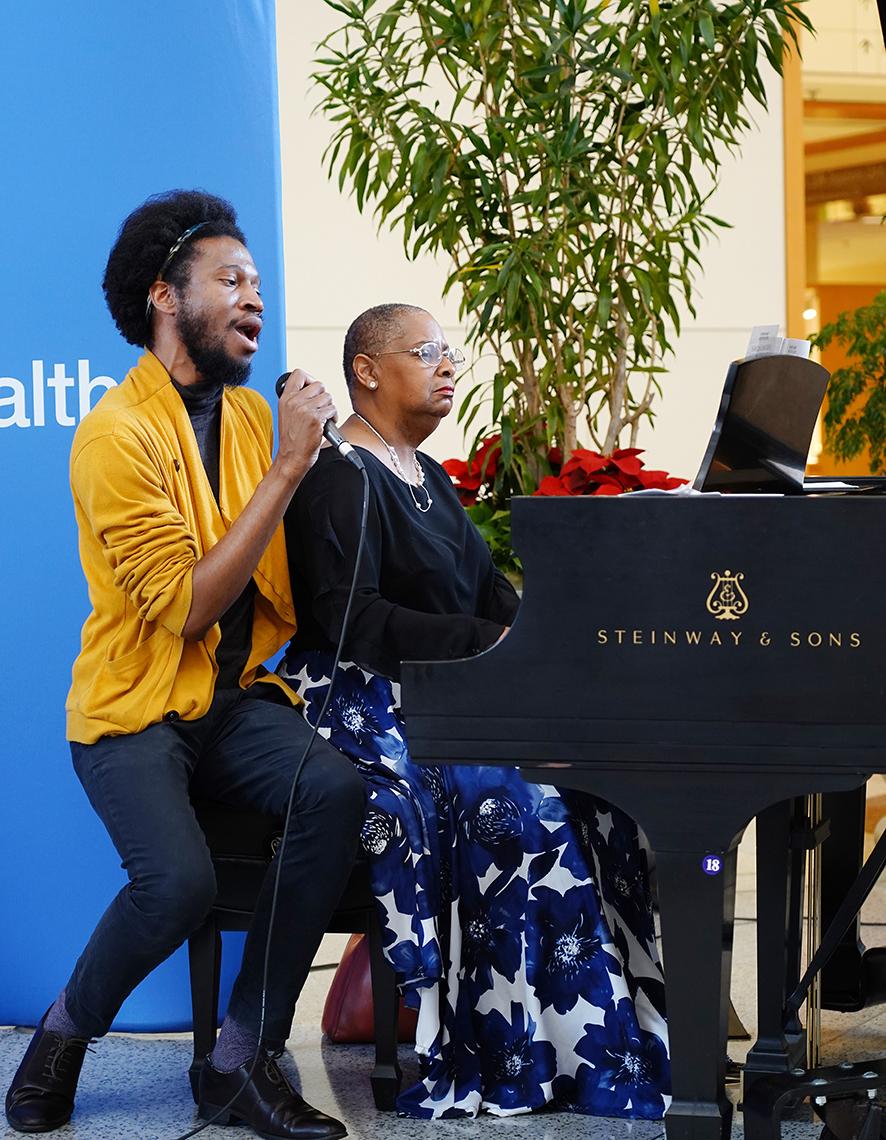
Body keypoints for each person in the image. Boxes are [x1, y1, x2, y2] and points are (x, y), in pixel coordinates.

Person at [4, 190, 365, 1140]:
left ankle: (238, 1060)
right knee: (179, 884)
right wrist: (289, 468)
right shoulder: (113, 437)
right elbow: (191, 603)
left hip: (236, 701)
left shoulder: (252, 418)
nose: (254, 297)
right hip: (135, 709)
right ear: (167, 296)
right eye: (231, 280)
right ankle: (62, 1034)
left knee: (332, 787)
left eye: (257, 281)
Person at [279, 303, 671, 1120]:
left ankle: (615, 1038)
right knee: (518, 801)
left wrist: (560, 637)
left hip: (455, 688)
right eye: (426, 351)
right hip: (368, 700)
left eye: (449, 350)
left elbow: (495, 598)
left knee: (600, 784)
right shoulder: (339, 476)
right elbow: (357, 623)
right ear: (367, 369)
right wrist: (488, 639)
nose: (448, 363)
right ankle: (526, 1051)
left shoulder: (424, 477)